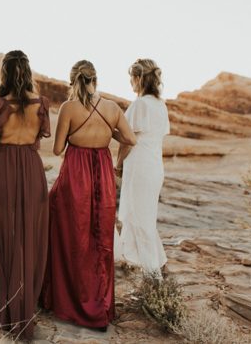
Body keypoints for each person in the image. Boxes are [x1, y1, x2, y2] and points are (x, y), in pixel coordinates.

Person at [41, 60, 136, 331]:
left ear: (73, 81)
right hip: (103, 174)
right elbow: (130, 140)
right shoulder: (112, 107)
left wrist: (75, 134)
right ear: (96, 79)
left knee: (70, 234)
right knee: (100, 237)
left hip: (76, 173)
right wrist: (111, 140)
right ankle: (100, 303)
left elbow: (58, 149)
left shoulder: (69, 108)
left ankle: (67, 298)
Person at [0, 51, 50, 340]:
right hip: (32, 170)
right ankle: (26, 307)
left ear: (4, 72)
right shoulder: (42, 104)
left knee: (4, 238)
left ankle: (7, 312)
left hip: (2, 168)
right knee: (30, 237)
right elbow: (39, 140)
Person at [114, 59, 170, 275]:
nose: (130, 82)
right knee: (144, 218)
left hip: (140, 168)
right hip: (154, 167)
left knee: (139, 221)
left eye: (131, 78)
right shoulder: (160, 104)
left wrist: (117, 166)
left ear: (139, 78)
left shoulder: (140, 104)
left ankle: (153, 279)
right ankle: (161, 265)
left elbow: (129, 140)